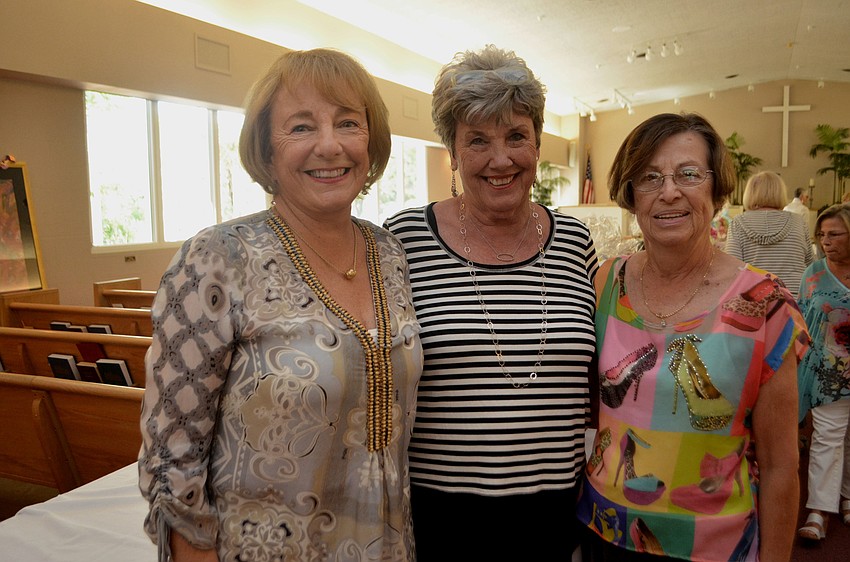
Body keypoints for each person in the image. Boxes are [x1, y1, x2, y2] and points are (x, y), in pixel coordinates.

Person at [137, 48, 423, 562]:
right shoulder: (218, 258)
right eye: (301, 127)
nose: (330, 145)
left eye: (348, 123)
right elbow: (171, 456)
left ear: (371, 141)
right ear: (266, 151)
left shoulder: (390, 253)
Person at [384, 44, 598, 560]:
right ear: (453, 153)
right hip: (442, 515)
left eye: (516, 136)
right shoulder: (404, 239)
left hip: (555, 512)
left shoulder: (575, 243)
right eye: (477, 140)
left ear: (538, 143)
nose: (500, 159)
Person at [576, 112, 810, 561]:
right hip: (605, 533)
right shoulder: (605, 283)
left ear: (717, 190)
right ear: (630, 195)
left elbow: (782, 466)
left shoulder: (765, 303)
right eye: (649, 177)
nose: (669, 192)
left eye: (688, 174)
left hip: (713, 545)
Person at [797, 203, 850, 542]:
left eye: (834, 234)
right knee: (827, 437)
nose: (825, 241)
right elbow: (801, 320)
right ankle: (818, 510)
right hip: (828, 372)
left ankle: (847, 496)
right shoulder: (813, 273)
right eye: (822, 235)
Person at [725, 171, 814, 297]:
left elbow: (732, 269)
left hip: (755, 300)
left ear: (750, 193)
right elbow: (811, 264)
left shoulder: (738, 223)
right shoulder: (798, 221)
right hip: (795, 299)